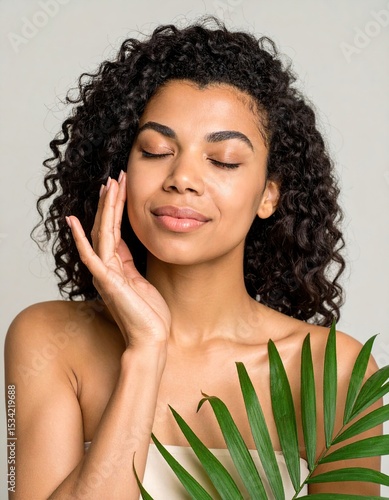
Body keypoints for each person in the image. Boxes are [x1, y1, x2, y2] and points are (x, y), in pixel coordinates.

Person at [5, 17, 382, 499]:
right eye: (156, 150)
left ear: (269, 195)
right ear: (119, 171)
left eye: (223, 159)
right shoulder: (49, 342)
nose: (182, 176)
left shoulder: (335, 372)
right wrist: (145, 354)